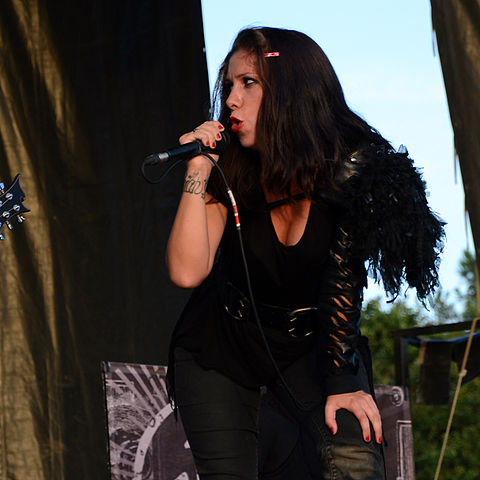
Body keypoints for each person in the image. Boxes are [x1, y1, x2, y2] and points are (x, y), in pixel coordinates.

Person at [165, 27, 444, 480]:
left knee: (353, 455)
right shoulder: (229, 165)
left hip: (312, 344)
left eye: (248, 83)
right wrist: (198, 167)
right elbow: (186, 270)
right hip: (221, 344)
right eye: (229, 84)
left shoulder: (352, 172)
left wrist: (343, 381)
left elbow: (343, 284)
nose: (231, 99)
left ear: (291, 89)